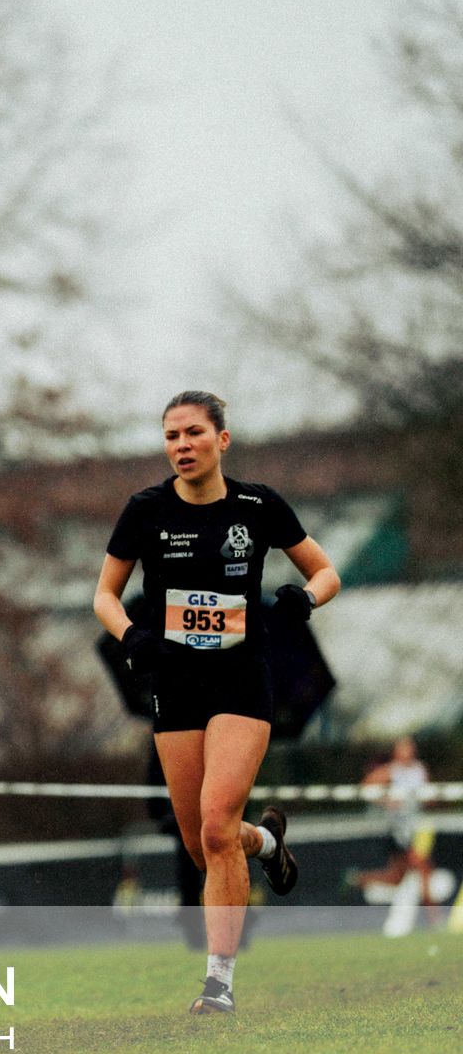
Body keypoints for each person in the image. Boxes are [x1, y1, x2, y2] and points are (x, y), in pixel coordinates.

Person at [93, 391, 340, 1015]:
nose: (182, 445)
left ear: (221, 440)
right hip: (175, 685)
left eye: (194, 433)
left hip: (241, 680)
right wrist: (132, 635)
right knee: (205, 841)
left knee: (213, 822)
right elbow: (104, 596)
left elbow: (325, 572)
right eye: (171, 435)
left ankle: (219, 983)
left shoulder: (258, 506)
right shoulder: (144, 510)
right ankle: (266, 843)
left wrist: (303, 600)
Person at [352, 736, 435, 903]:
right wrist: (386, 801)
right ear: (396, 752)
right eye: (403, 748)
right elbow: (365, 789)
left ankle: (355, 879)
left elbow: (428, 798)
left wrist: (426, 799)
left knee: (397, 878)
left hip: (417, 826)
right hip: (400, 829)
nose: (408, 751)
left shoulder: (420, 769)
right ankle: (434, 917)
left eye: (410, 747)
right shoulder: (390, 771)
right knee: (423, 867)